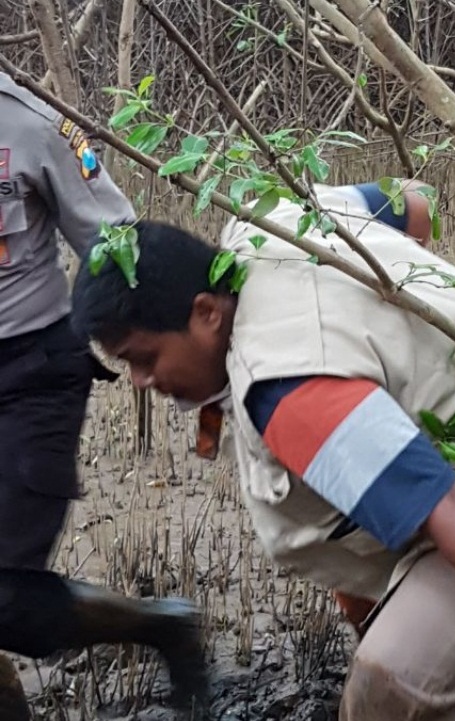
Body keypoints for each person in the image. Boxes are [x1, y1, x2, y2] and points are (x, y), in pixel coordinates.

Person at [70, 182, 455, 721]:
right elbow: (413, 203)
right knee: (431, 641)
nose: (141, 384)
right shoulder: (275, 220)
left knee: (387, 692)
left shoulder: (293, 392)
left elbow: (448, 513)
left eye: (143, 360)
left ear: (206, 312)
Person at [0, 71, 207, 718]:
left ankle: (161, 624)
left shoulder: (32, 121)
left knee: (4, 596)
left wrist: (197, 370)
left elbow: (116, 245)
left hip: (28, 373)